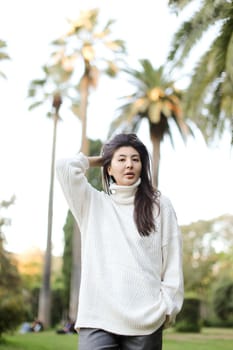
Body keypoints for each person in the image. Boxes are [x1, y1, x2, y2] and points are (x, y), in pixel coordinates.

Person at [56, 133, 184, 350]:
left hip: (146, 321)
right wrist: (100, 159)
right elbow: (64, 167)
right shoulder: (92, 203)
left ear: (142, 165)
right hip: (97, 318)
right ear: (108, 167)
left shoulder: (160, 205)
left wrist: (167, 307)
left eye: (135, 159)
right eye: (121, 159)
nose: (129, 165)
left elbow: (172, 261)